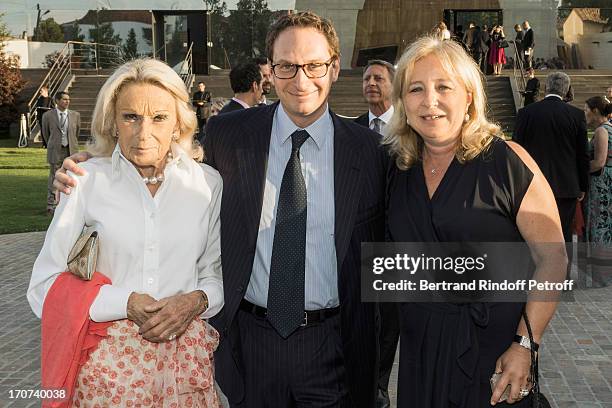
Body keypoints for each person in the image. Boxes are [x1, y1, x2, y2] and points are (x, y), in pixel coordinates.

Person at [54, 11, 386, 408]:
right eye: (286, 66)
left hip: (334, 348)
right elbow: (169, 157)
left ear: (334, 68)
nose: (301, 80)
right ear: (270, 72)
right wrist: (94, 161)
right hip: (248, 345)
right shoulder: (230, 135)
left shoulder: (370, 152)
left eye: (314, 65)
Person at [28, 58, 224, 406]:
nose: (143, 132)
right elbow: (43, 288)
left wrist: (194, 301)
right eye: (130, 116)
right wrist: (125, 303)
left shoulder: (206, 184)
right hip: (106, 370)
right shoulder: (85, 180)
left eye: (159, 118)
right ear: (113, 123)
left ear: (179, 123)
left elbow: (215, 274)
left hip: (184, 370)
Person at [383, 35, 565, 408]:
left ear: (468, 96)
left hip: (496, 353)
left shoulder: (507, 161)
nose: (429, 101)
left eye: (443, 87)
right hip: (421, 349)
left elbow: (554, 259)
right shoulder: (397, 168)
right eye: (415, 89)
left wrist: (524, 345)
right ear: (403, 102)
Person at [514, 72, 589, 266]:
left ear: (546, 87)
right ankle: (560, 276)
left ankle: (533, 273)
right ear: (566, 90)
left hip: (531, 184)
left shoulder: (526, 113)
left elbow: (516, 150)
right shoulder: (576, 115)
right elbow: (582, 154)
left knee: (531, 232)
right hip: (566, 184)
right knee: (563, 231)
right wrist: (583, 185)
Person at [583, 96, 612, 286]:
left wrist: (579, 167)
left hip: (601, 184)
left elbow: (599, 162)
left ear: (595, 111)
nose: (584, 114)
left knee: (600, 226)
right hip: (608, 181)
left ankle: (602, 276)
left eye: (586, 110)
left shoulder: (602, 131)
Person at [42, 91, 80, 215]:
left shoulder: (75, 115)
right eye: (64, 99)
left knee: (71, 176)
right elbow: (46, 134)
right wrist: (53, 144)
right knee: (54, 176)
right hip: (55, 150)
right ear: (57, 101)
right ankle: (51, 205)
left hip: (71, 150)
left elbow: (76, 133)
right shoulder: (48, 115)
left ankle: (69, 204)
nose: (67, 101)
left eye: (68, 99)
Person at [355, 59, 395, 136]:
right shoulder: (353, 128)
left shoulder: (409, 125)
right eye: (366, 79)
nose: (371, 83)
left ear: (394, 85)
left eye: (378, 78)